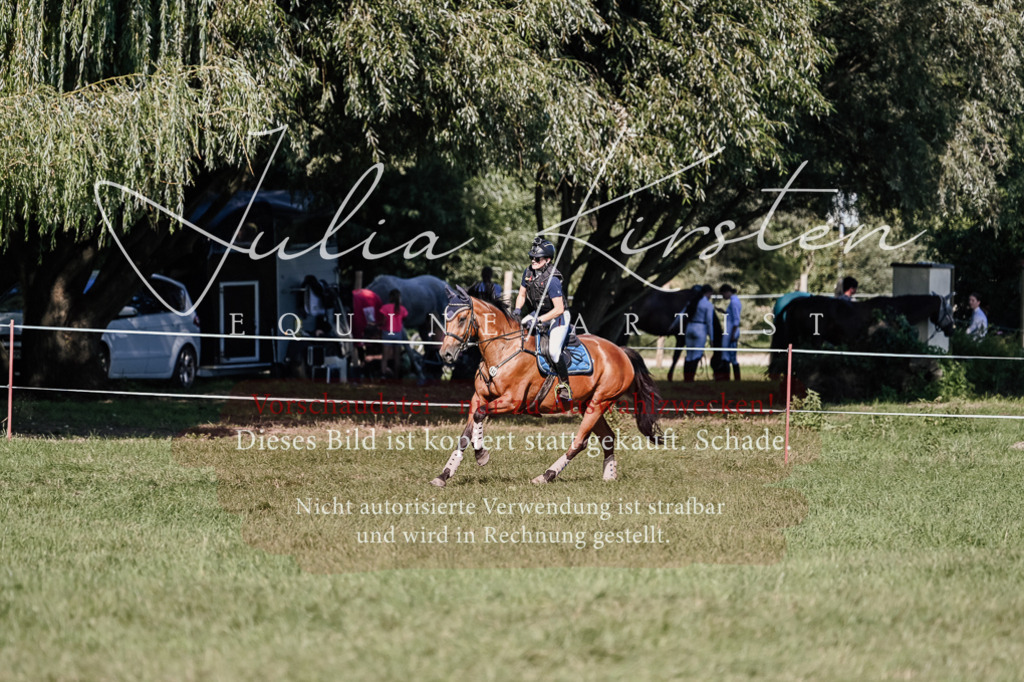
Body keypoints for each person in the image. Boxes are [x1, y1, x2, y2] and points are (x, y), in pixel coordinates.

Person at [514, 237, 572, 402]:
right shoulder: (528, 272)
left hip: (558, 316)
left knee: (554, 351)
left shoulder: (552, 280)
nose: (533, 260)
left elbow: (559, 309)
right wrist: (518, 310)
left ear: (547, 260)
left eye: (537, 258)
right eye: (532, 257)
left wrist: (539, 320)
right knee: (519, 330)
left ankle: (565, 385)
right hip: (539, 313)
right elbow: (521, 294)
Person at [680, 284, 714, 382]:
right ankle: (691, 378)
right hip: (701, 328)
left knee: (689, 354)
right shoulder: (707, 304)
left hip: (690, 327)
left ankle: (686, 377)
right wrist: (711, 338)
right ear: (708, 293)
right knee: (697, 354)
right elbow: (709, 322)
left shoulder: (693, 301)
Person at [379, 289, 409, 379]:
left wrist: (378, 325)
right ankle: (396, 376)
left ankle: (383, 375)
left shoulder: (385, 308)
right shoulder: (402, 309)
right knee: (397, 357)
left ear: (390, 297)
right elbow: (405, 317)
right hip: (398, 333)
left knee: (385, 356)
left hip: (387, 332)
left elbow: (383, 321)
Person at [720, 284, 742, 381]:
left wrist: (733, 334)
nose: (723, 297)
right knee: (730, 355)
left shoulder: (734, 303)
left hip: (731, 331)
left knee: (728, 355)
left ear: (726, 292)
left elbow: (736, 320)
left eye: (723, 294)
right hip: (730, 330)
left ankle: (728, 377)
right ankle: (732, 377)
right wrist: (724, 312)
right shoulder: (734, 301)